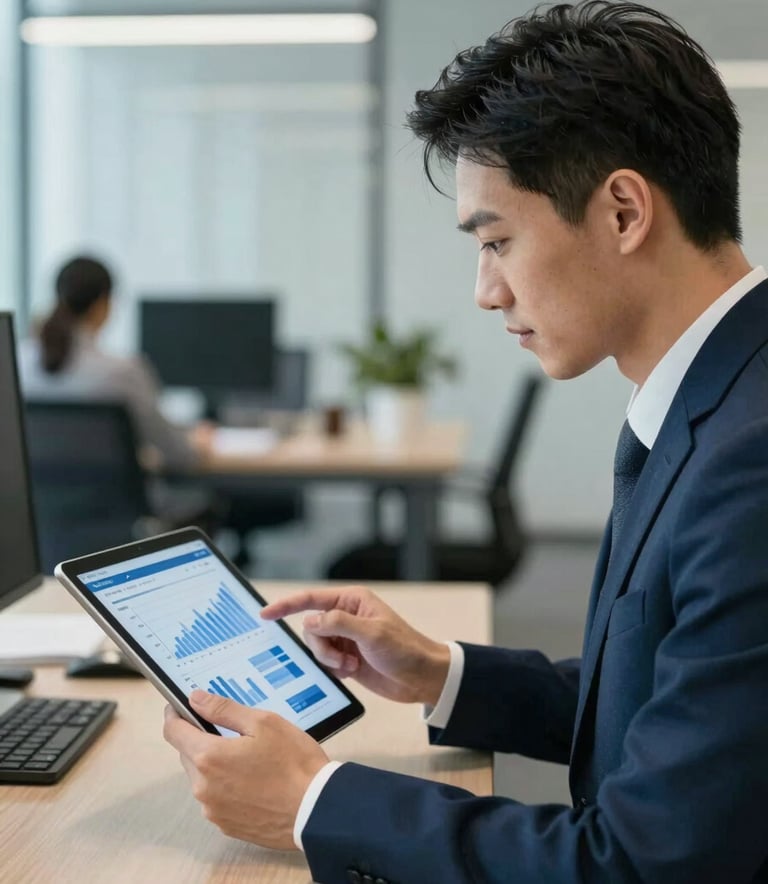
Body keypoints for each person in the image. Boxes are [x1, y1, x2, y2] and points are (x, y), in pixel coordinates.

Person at [163, 2, 768, 881]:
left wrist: (311, 802)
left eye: (498, 240)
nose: (486, 291)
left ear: (625, 211)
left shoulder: (750, 459)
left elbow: (642, 866)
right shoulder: (719, 397)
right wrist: (441, 671)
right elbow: (680, 708)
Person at [18, 255, 205, 471]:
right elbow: (178, 453)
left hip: (43, 503)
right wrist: (197, 441)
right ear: (102, 304)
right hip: (117, 504)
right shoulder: (122, 372)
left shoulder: (20, 363)